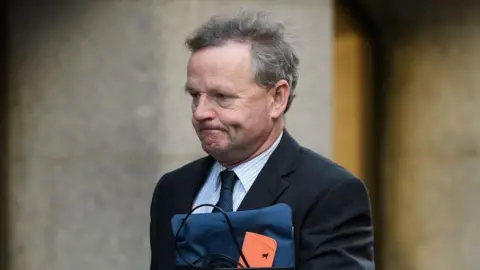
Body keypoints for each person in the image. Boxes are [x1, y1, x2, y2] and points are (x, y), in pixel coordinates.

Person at [150, 10, 375, 270]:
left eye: (221, 96)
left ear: (277, 98)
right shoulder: (173, 189)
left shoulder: (330, 193)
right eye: (194, 95)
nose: (201, 112)